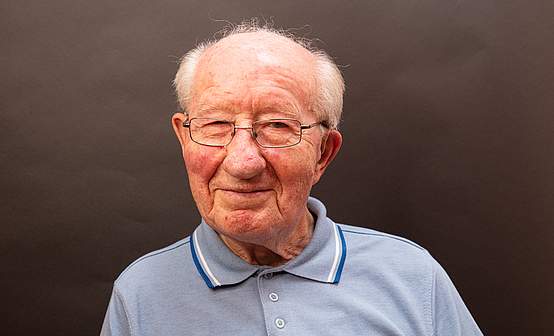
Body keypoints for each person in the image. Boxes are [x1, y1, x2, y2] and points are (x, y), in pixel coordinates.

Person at [100, 22, 483, 336]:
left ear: (323, 153)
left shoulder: (412, 276)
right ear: (184, 138)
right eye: (216, 124)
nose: (243, 162)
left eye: (277, 126)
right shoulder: (139, 294)